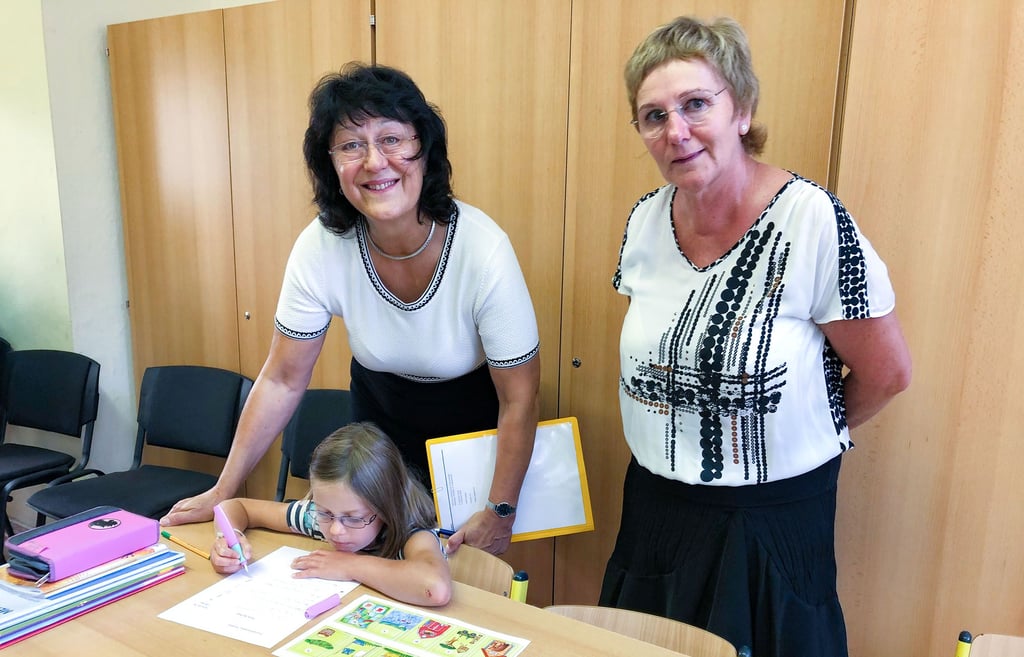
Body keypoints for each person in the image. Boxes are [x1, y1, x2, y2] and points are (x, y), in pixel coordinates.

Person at [599, 16, 911, 657]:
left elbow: (886, 374)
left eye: (694, 105)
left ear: (740, 109)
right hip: (658, 505)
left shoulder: (813, 221)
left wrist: (792, 442)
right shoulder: (644, 221)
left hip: (772, 519)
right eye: (653, 116)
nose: (675, 131)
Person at [163, 63, 541, 556]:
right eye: (351, 145)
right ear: (330, 164)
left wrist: (500, 509)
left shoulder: (482, 248)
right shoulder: (322, 244)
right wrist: (224, 488)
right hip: (378, 429)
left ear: (424, 150)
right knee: (371, 575)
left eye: (392, 139)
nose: (374, 162)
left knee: (457, 587)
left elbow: (521, 398)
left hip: (472, 440)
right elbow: (281, 379)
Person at [210, 422, 452, 606]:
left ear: (385, 508)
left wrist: (351, 565)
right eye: (325, 512)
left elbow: (436, 589)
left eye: (354, 518)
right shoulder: (316, 517)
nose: (336, 530)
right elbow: (236, 507)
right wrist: (229, 538)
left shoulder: (412, 534)